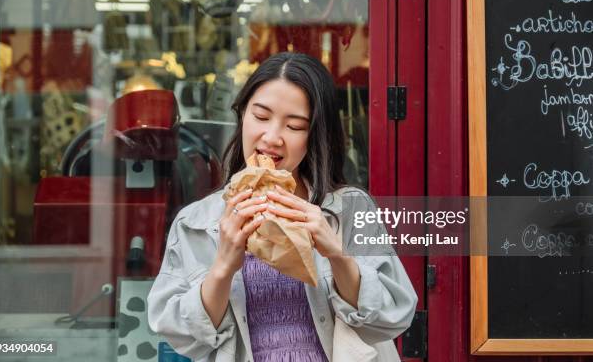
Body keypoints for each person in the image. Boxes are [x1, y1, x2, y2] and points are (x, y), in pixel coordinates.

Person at [147, 52, 417, 362]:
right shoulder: (195, 222)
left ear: (315, 135)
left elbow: (393, 317)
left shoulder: (351, 208)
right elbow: (178, 335)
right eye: (261, 117)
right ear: (242, 115)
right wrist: (222, 266)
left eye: (295, 125)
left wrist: (336, 254)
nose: (272, 137)